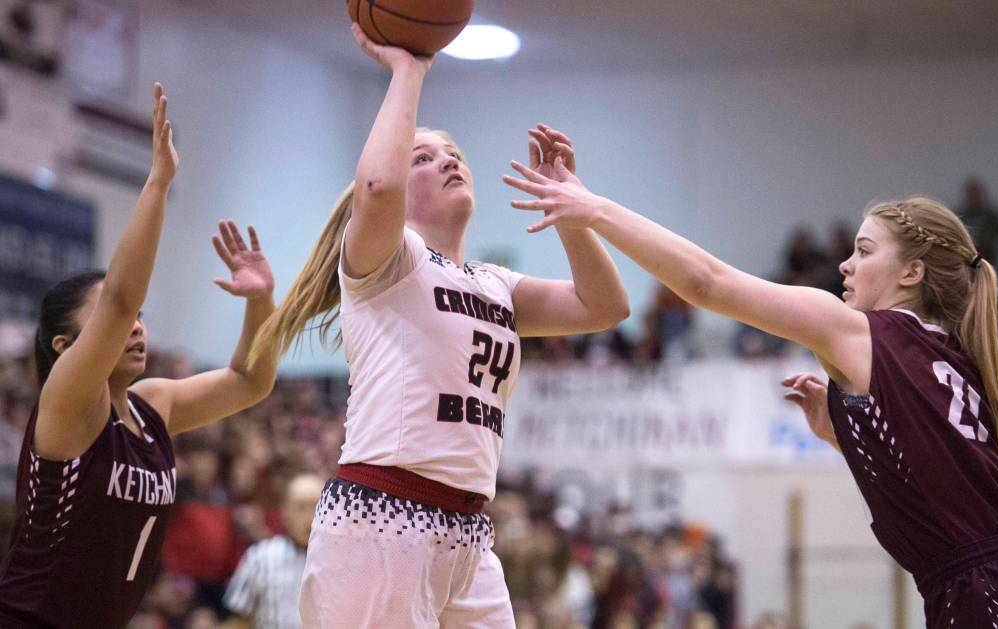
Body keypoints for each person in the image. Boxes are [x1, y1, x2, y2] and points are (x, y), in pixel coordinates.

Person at [503, 163, 998, 626]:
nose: (845, 265)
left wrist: (594, 209)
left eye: (864, 251)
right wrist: (848, 435)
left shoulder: (865, 333)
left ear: (912, 273)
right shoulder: (952, 355)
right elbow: (938, 477)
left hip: (985, 593)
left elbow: (707, 282)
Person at [247, 23, 629, 628]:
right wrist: (409, 70)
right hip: (382, 515)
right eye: (422, 157)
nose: (448, 160)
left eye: (453, 154)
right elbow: (378, 186)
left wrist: (569, 211)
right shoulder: (390, 260)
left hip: (469, 530)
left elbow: (604, 306)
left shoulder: (497, 283)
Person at [0, 84, 280, 629]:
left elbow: (250, 381)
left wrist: (260, 302)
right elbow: (122, 298)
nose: (135, 325)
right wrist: (158, 182)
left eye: (141, 318)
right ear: (64, 347)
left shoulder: (152, 406)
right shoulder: (67, 405)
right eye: (112, 319)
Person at [223, 474, 323, 629]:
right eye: (301, 508)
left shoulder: (341, 562)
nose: (310, 517)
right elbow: (238, 621)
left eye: (317, 507)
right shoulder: (259, 558)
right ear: (286, 512)